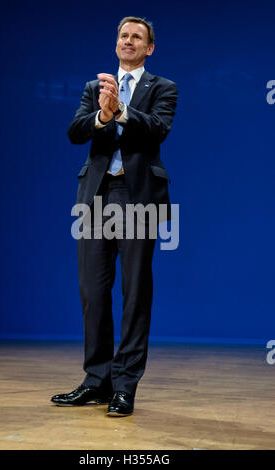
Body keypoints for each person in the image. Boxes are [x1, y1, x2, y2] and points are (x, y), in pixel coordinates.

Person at [51, 16, 178, 417]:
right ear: (116, 43)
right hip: (96, 198)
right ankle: (96, 381)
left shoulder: (164, 88)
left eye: (136, 37)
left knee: (135, 293)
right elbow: (75, 132)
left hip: (137, 195)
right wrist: (103, 116)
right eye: (123, 35)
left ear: (149, 48)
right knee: (92, 291)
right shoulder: (95, 88)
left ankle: (125, 386)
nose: (128, 41)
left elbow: (157, 129)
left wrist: (122, 111)